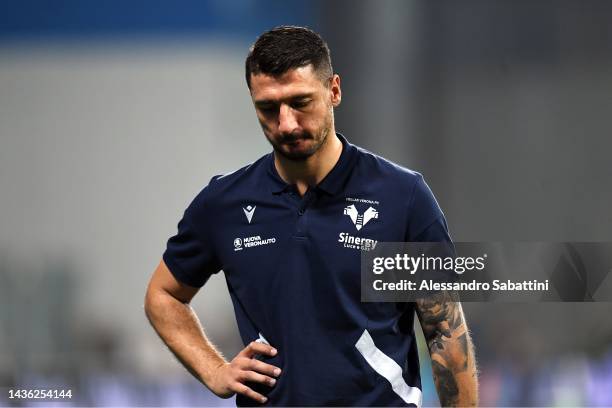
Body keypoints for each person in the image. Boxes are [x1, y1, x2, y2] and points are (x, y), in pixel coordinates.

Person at [144, 25, 478, 407]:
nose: (286, 124)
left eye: (300, 102)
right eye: (268, 108)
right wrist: (215, 370)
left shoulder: (402, 197)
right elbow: (164, 295)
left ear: (334, 91)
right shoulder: (224, 204)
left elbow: (445, 333)